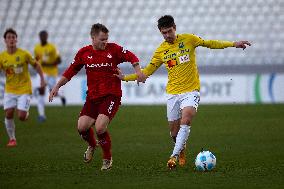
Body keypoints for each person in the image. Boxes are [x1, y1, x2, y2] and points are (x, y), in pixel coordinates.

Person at [116, 15, 251, 169]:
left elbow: (211, 43)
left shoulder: (189, 39)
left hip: (191, 91)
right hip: (172, 93)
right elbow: (146, 72)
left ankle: (173, 156)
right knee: (174, 133)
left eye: (169, 31)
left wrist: (233, 44)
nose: (167, 36)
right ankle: (181, 149)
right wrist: (125, 77)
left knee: (186, 120)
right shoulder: (161, 51)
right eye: (163, 33)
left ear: (175, 27)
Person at [49, 23, 146, 170]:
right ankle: (92, 145)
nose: (105, 42)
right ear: (93, 38)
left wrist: (138, 72)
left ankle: (107, 158)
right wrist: (57, 86)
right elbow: (70, 72)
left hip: (111, 96)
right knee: (82, 128)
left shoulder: (113, 49)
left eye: (106, 39)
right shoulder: (83, 53)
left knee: (100, 127)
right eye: (102, 39)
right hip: (93, 97)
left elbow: (132, 56)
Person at [0, 28, 45, 147]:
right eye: (9, 37)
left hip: (24, 88)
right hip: (10, 89)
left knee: (21, 116)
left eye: (13, 37)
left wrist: (42, 79)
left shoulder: (24, 54)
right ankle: (12, 139)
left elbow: (37, 65)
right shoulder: (2, 57)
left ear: (16, 39)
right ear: (5, 40)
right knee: (8, 113)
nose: (11, 39)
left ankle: (25, 112)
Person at [34, 30, 66, 122]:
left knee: (53, 93)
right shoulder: (37, 48)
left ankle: (61, 96)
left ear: (47, 37)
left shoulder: (52, 47)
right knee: (41, 90)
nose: (43, 37)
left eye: (45, 36)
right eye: (41, 36)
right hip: (42, 73)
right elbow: (36, 60)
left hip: (52, 73)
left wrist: (48, 64)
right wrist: (36, 65)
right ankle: (41, 115)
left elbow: (59, 60)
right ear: (39, 37)